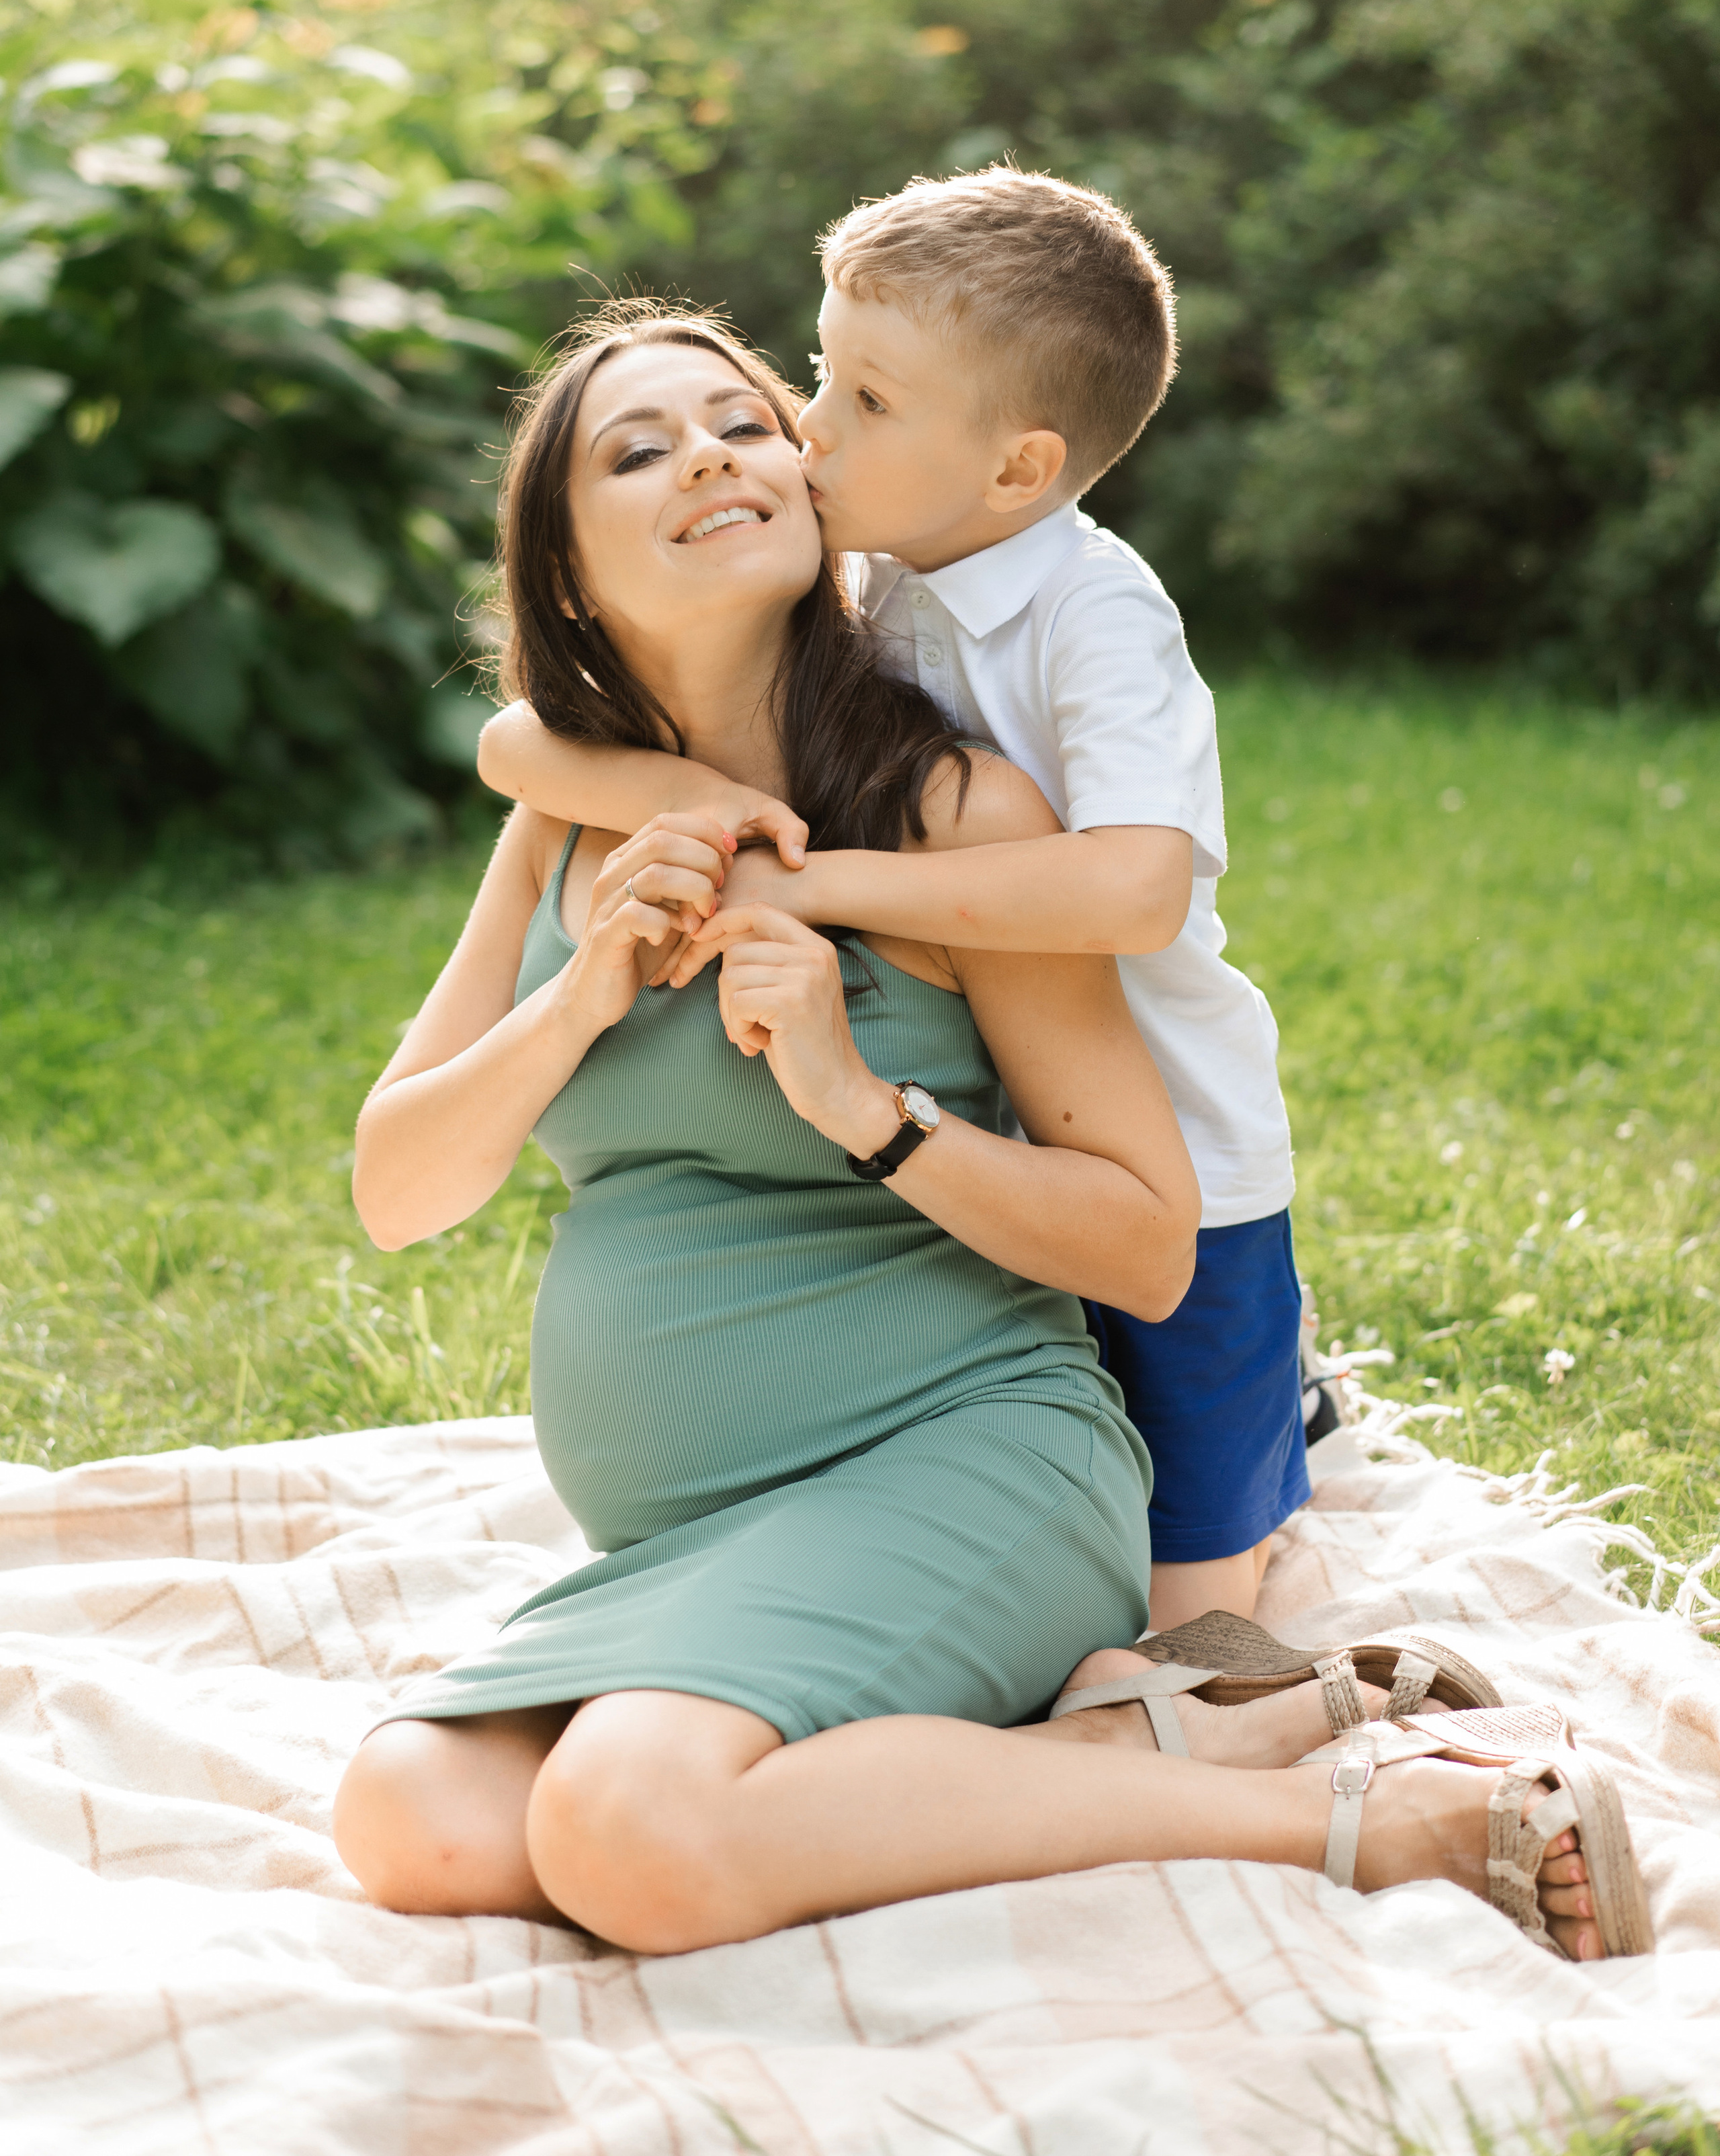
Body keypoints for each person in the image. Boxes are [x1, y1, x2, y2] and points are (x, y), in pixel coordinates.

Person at [333, 309, 1631, 1965]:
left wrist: (863, 1110)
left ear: (805, 489)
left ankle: (1365, 1819)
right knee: (412, 1821)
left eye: (741, 421)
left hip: (964, 1456)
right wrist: (585, 993)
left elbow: (1146, 1240)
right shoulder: (564, 824)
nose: (712, 456)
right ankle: (1098, 1747)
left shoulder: (952, 816)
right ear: (568, 573)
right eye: (635, 448)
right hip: (691, 1532)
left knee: (627, 1827)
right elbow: (399, 1188)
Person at [479, 168, 1304, 1633]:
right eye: (815, 373)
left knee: (1192, 1616)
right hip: (999, 1127)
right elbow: (513, 741)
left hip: (1181, 1138)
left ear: (1011, 469)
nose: (801, 428)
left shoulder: (1095, 615)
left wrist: (828, 877)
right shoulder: (879, 560)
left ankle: (1281, 1431)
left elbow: (1135, 888)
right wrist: (686, 810)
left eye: (861, 399)